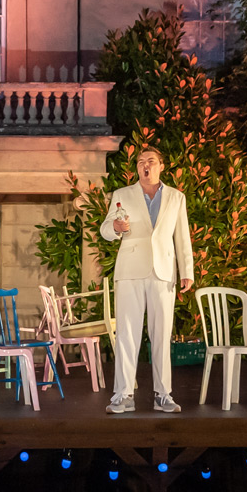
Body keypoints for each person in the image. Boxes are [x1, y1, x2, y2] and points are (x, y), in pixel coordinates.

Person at [99, 145, 195, 414]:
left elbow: (182, 237)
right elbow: (105, 229)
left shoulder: (176, 197)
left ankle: (163, 395)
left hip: (164, 271)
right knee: (127, 334)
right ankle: (123, 395)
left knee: (162, 334)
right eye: (141, 162)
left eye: (151, 161)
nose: (145, 165)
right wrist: (116, 228)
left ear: (161, 165)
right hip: (130, 269)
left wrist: (187, 270)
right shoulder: (122, 194)